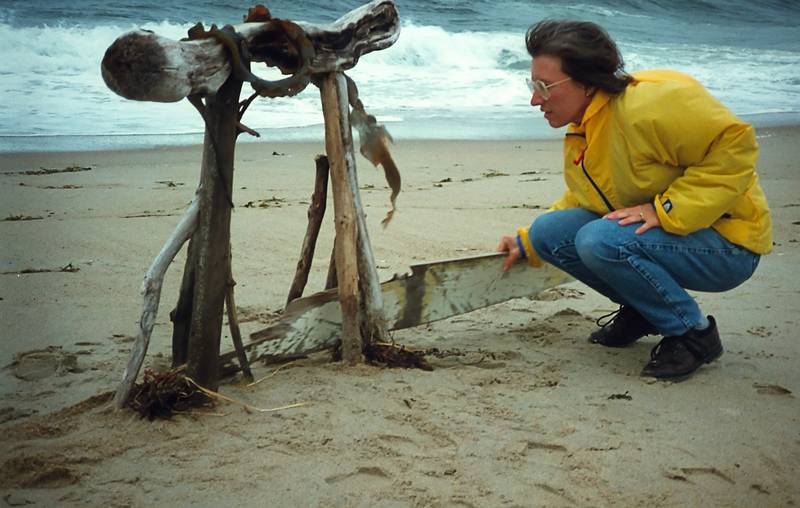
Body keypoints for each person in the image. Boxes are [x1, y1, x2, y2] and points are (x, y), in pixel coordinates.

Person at [497, 20, 772, 381]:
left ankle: (693, 335)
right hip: (678, 238)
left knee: (599, 240)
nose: (535, 99)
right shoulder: (589, 124)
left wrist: (667, 209)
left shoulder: (650, 103)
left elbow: (736, 145)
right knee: (549, 232)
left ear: (588, 80)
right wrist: (527, 241)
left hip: (729, 244)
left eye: (544, 86)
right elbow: (590, 198)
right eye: (532, 85)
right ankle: (645, 311)